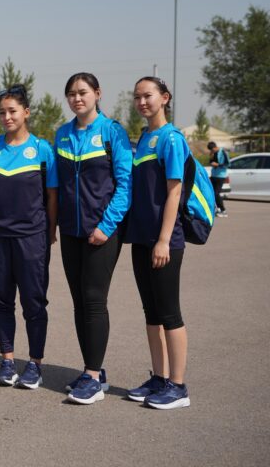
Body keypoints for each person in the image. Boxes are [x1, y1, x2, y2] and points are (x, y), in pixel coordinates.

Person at [55, 73, 132, 404]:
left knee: (94, 299)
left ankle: (92, 375)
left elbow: (125, 185)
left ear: (97, 94)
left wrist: (106, 225)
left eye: (83, 92)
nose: (77, 98)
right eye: (71, 93)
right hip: (70, 231)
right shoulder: (62, 133)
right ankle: (93, 372)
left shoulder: (112, 132)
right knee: (78, 301)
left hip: (102, 231)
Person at [0, 84, 58, 390]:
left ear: (26, 112)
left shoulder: (42, 149)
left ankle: (35, 363)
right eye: (2, 112)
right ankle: (8, 361)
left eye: (12, 111)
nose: (7, 117)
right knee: (1, 299)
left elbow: (52, 196)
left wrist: (50, 231)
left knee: (33, 302)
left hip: (32, 237)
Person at [124, 77, 192, 410]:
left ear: (164, 98)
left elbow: (174, 192)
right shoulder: (144, 138)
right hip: (141, 238)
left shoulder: (171, 138)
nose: (141, 102)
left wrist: (164, 240)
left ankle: (178, 387)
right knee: (151, 312)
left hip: (164, 241)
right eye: (137, 97)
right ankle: (159, 378)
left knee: (169, 312)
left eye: (147, 95)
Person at [207, 141, 229, 217]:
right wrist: (211, 157)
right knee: (211, 192)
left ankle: (223, 210)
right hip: (214, 175)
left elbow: (227, 164)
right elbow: (211, 162)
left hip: (221, 176)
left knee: (216, 193)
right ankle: (217, 209)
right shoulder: (213, 153)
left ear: (215, 147)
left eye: (212, 150)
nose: (211, 151)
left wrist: (218, 165)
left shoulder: (223, 152)